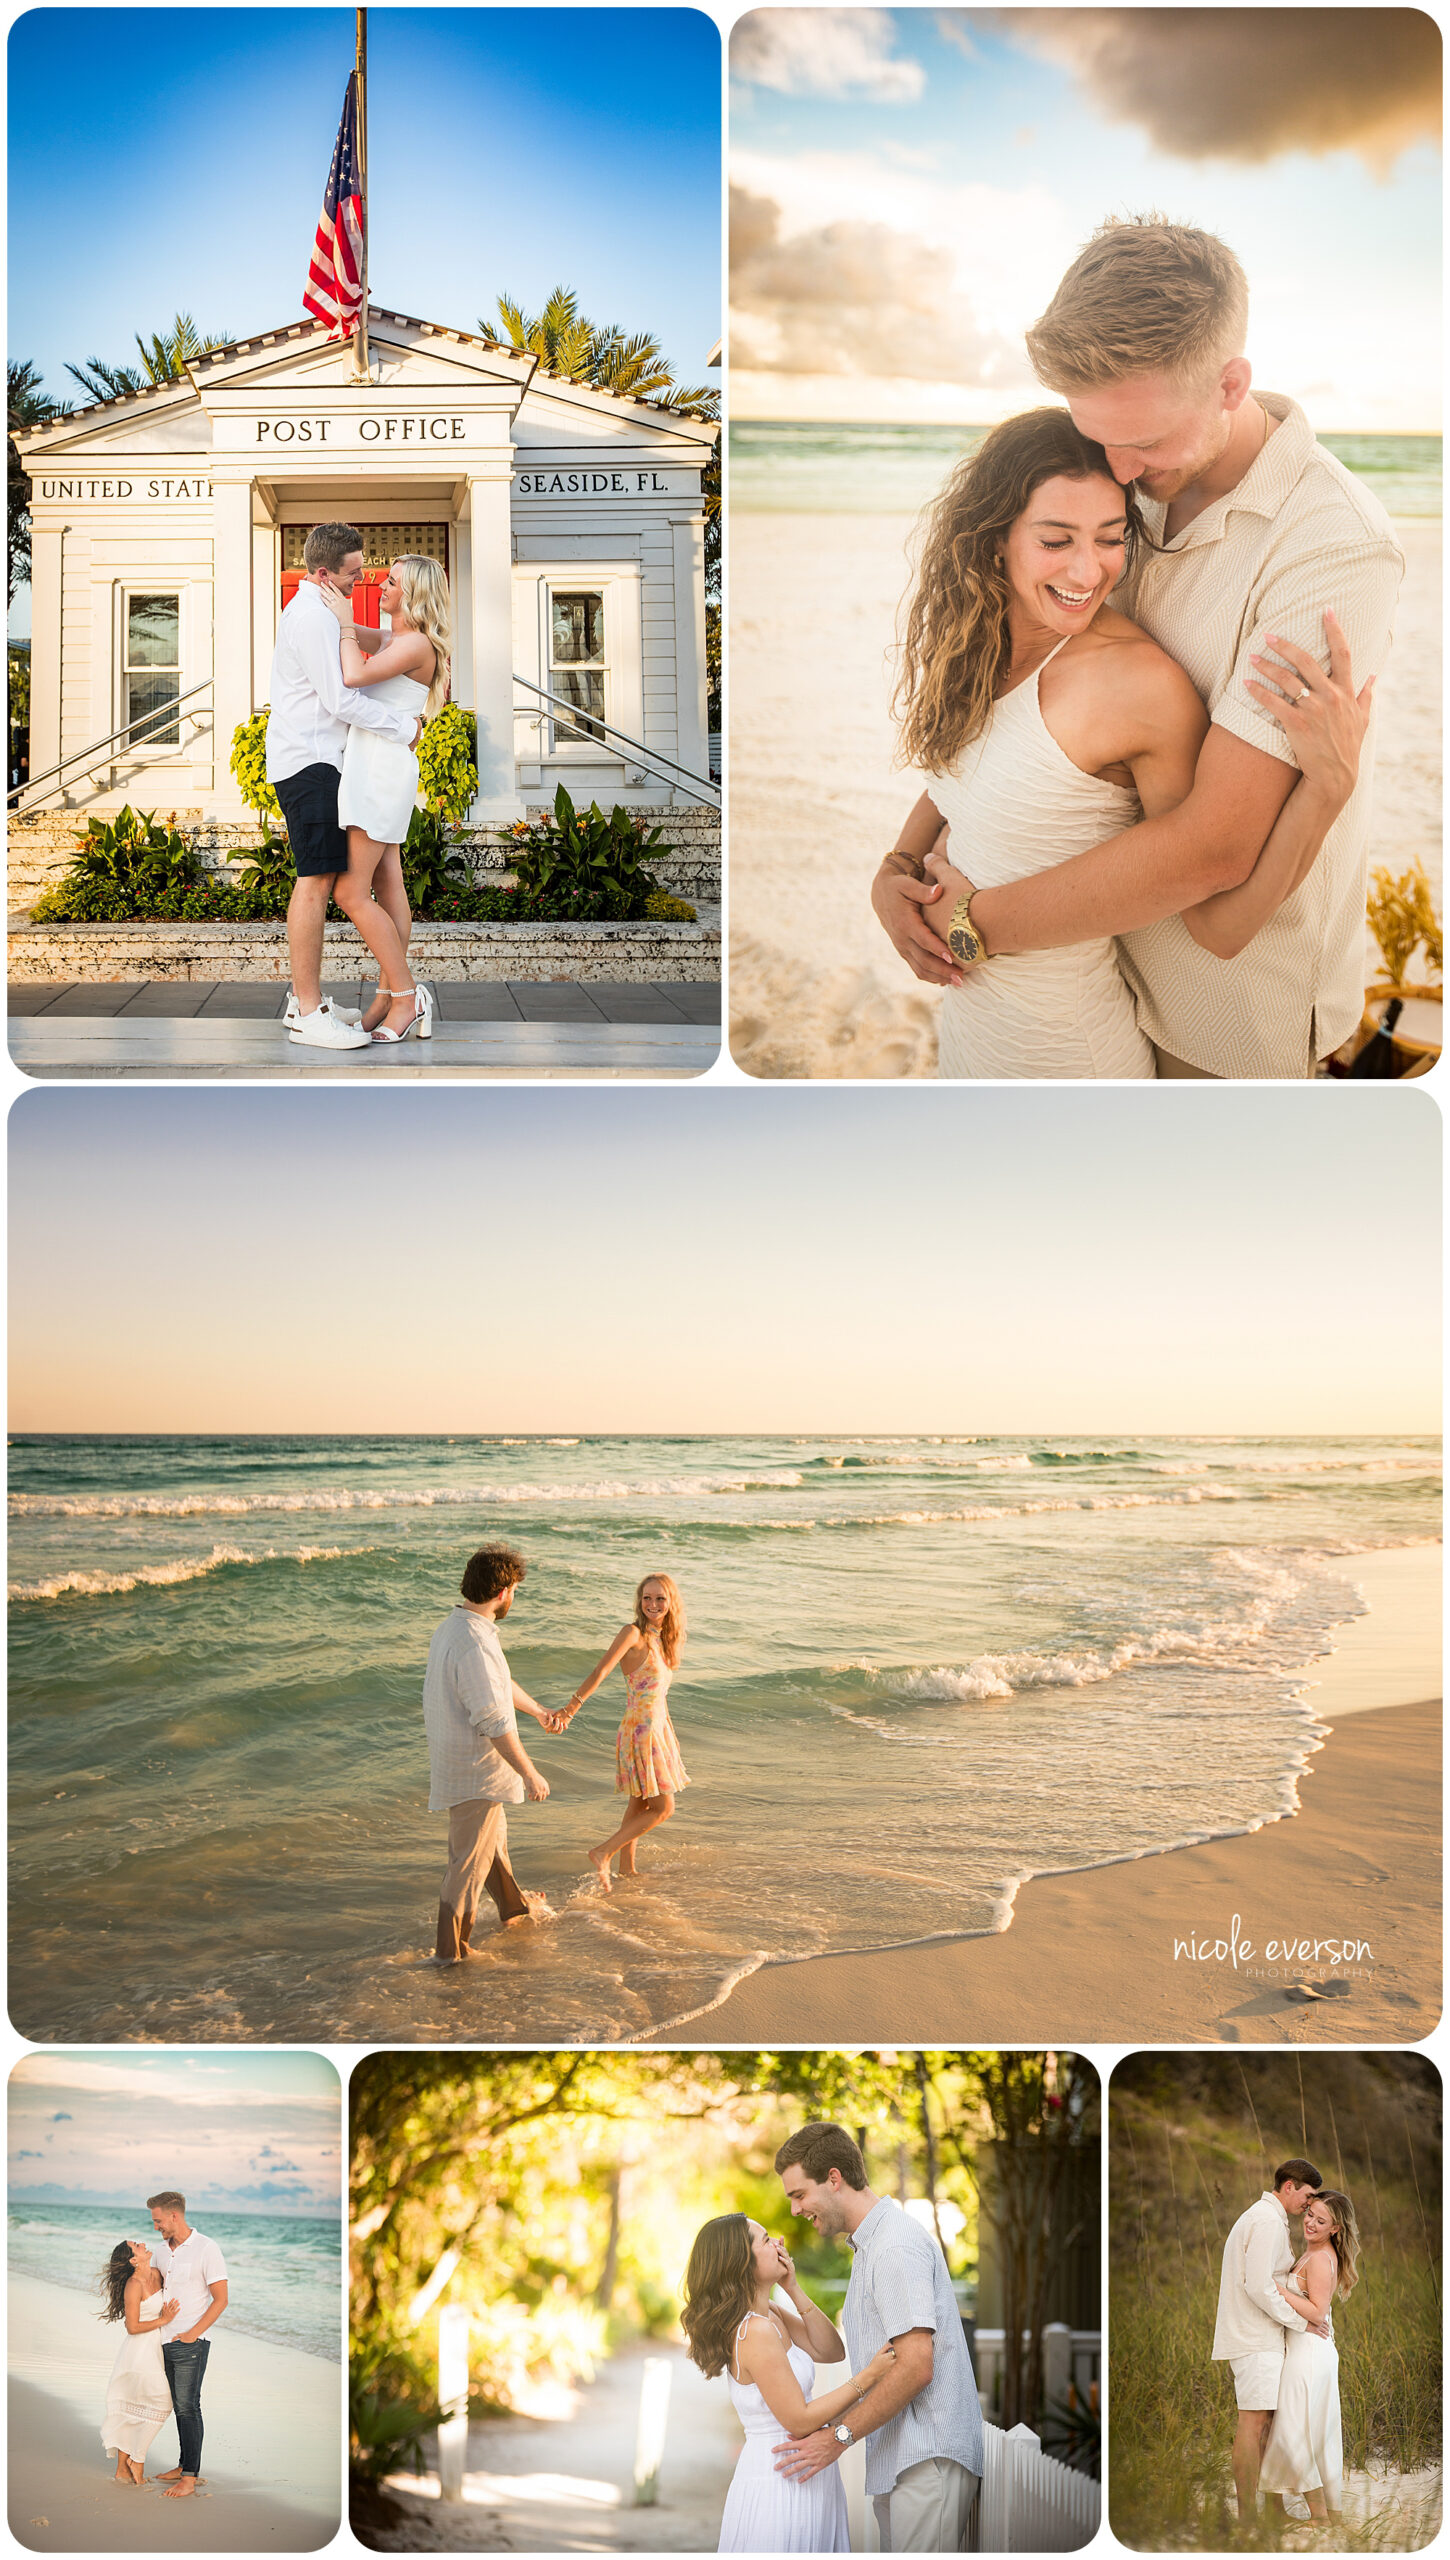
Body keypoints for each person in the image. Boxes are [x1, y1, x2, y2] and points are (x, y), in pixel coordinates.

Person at [872, 216, 1404, 1079]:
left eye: (1143, 442)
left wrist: (969, 926)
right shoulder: (1127, 477)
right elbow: (1013, 715)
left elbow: (1215, 852)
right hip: (1090, 966)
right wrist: (897, 869)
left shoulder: (1330, 550)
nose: (1115, 468)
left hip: (1217, 1015)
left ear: (1231, 383)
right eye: (1099, 434)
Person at [773, 2121, 984, 2552]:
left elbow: (915, 2366)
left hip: (927, 2460)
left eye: (799, 2195)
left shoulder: (893, 2246)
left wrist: (837, 2439)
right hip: (905, 2460)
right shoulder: (870, 2246)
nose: (795, 2210)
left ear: (834, 2178)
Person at [264, 520, 424, 1051]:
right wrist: (407, 729)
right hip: (311, 764)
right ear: (324, 572)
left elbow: (394, 653)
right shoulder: (313, 617)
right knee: (316, 883)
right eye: (355, 575)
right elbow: (341, 698)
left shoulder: (327, 614)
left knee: (362, 879)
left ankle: (385, 997)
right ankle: (308, 1009)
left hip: (334, 764)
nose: (363, 583)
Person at [682, 2211, 897, 2553]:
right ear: (741, 2263)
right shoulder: (754, 2331)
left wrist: (792, 2288)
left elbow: (830, 2350)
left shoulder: (770, 2315)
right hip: (780, 2478)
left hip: (807, 2470)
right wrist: (869, 2376)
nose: (779, 2242)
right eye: (766, 2240)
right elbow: (798, 2418)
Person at [317, 552, 453, 1042]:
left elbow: (353, 675)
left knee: (350, 892)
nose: (382, 586)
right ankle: (384, 998)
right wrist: (337, 615)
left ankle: (405, 995)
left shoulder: (415, 644)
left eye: (392, 582)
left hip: (379, 769)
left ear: (413, 593)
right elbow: (357, 644)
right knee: (389, 881)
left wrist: (344, 622)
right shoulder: (398, 639)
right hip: (374, 764)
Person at [423, 1544, 556, 1962]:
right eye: (514, 1588)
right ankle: (450, 1955)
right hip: (475, 1771)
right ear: (502, 1591)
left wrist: (538, 1711)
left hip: (463, 1765)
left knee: (492, 1845)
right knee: (466, 1866)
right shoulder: (475, 1644)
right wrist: (530, 1773)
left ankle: (514, 1911)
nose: (514, 1596)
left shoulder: (456, 1627)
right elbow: (492, 1719)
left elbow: (499, 1686)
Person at [1211, 2157, 1329, 2526]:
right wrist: (1302, 2322)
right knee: (1253, 2424)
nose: (1308, 2206)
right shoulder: (1265, 2221)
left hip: (1261, 2337)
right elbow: (1259, 2286)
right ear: (1289, 2185)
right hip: (1254, 2338)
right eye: (1307, 2196)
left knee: (1267, 2425)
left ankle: (1274, 2512)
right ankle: (1249, 2520)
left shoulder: (1269, 2219)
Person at [555, 1574, 690, 1891]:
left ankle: (627, 1868)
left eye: (659, 1598)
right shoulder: (633, 1633)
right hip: (640, 1731)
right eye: (646, 1598)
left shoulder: (662, 1639)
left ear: (671, 1603)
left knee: (640, 1803)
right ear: (639, 1601)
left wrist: (671, 1733)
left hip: (656, 1729)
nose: (652, 1604)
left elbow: (660, 1694)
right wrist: (570, 1710)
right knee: (663, 1808)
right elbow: (600, 1671)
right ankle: (603, 1852)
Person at [1260, 2189, 1358, 2525]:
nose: (1311, 2223)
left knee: (1296, 2428)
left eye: (1321, 2220)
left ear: (1335, 2229)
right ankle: (1331, 2511)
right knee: (1314, 2430)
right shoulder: (1313, 2253)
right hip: (1310, 2352)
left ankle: (1320, 2517)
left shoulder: (1318, 2258)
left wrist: (1279, 2290)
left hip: (1309, 2355)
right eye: (1310, 2214)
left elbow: (1317, 2313)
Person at [147, 2189, 229, 2500]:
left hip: (190, 2342)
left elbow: (221, 2300)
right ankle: (183, 2466)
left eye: (158, 2220)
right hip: (162, 2339)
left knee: (188, 2407)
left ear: (174, 2215)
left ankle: (190, 2478)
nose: (156, 2226)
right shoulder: (159, 2250)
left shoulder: (207, 2248)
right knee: (178, 2407)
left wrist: (193, 2333)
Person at [98, 2238, 176, 2488]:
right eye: (136, 2245)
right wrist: (163, 2321)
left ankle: (122, 2469)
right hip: (138, 2352)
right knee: (163, 2403)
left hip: (156, 2349)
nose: (142, 2243)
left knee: (136, 2407)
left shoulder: (156, 2273)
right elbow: (132, 2327)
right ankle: (137, 2459)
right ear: (133, 2259)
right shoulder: (134, 2284)